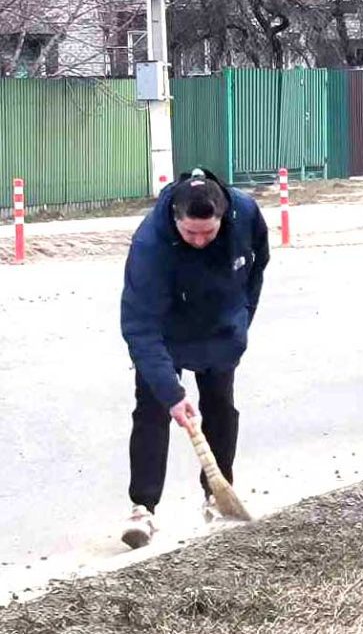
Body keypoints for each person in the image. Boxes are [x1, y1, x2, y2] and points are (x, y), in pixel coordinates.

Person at [119, 168, 269, 549]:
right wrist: (172, 392)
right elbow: (139, 326)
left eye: (208, 232)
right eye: (190, 233)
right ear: (175, 219)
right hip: (166, 332)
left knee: (220, 406)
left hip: (219, 324)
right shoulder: (150, 244)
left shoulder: (246, 213)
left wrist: (241, 319)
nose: (200, 241)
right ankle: (143, 508)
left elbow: (258, 266)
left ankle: (218, 497)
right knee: (152, 409)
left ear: (222, 216)